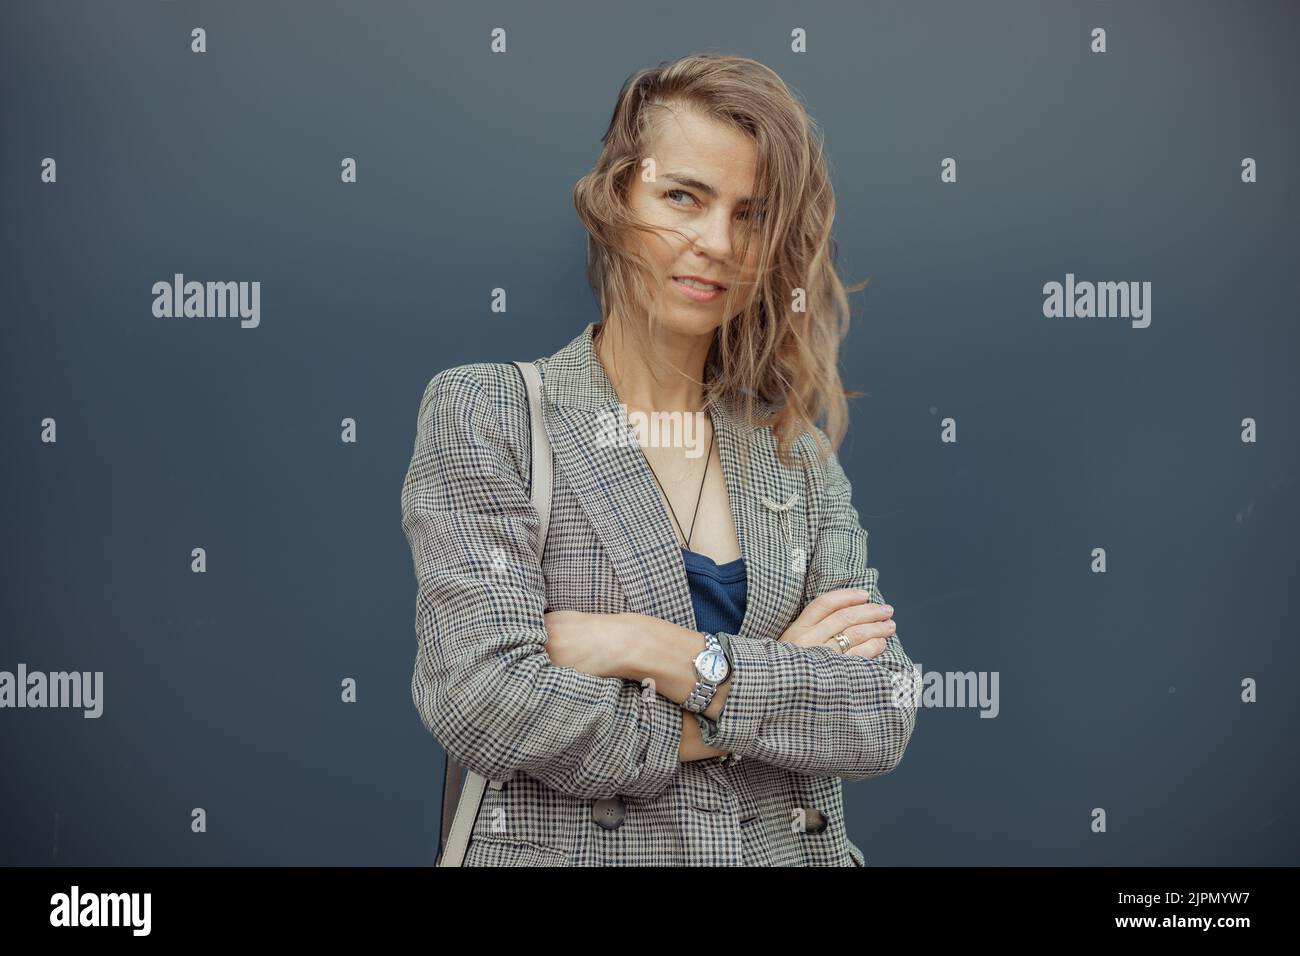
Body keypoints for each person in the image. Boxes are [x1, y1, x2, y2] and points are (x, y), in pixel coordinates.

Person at [400, 52, 918, 866]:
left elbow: (881, 709)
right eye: (683, 197)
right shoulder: (492, 413)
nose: (716, 243)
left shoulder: (795, 453)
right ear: (615, 199)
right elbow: (482, 698)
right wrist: (774, 686)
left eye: (750, 215)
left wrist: (653, 647)